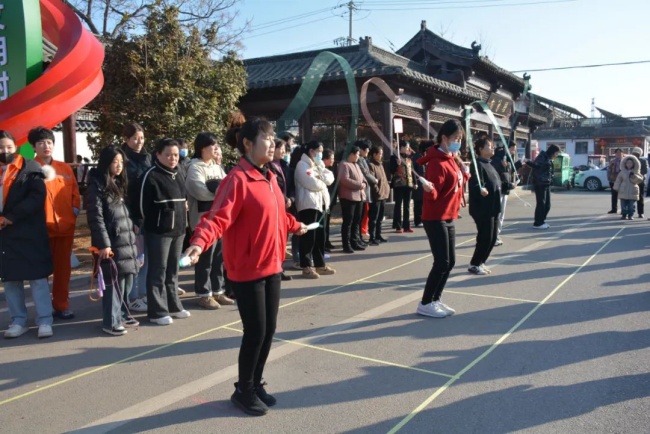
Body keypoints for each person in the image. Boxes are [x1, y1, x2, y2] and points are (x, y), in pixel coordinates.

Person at [183, 118, 308, 416]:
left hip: (272, 264)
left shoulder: (269, 176)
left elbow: (277, 214)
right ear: (248, 144)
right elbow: (216, 218)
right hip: (247, 269)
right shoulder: (236, 179)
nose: (273, 143)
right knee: (255, 331)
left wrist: (295, 225)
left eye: (273, 138)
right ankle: (243, 390)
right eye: (266, 138)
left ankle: (254, 382)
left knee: (268, 330)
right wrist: (199, 243)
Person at [0, 131, 54, 339]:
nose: (5, 151)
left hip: (29, 231)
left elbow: (36, 197)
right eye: (1, 148)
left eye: (8, 147)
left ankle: (45, 320)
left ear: (16, 147)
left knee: (37, 278)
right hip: (5, 236)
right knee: (11, 280)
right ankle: (18, 321)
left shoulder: (30, 168)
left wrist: (11, 216)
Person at [134, 138, 190, 325]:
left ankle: (174, 306)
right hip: (159, 231)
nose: (173, 158)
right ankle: (157, 311)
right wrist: (145, 223)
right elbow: (140, 206)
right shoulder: (150, 175)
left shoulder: (179, 172)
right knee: (158, 270)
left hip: (179, 230)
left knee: (173, 270)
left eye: (175, 155)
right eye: (168, 155)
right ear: (158, 155)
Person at [416, 121, 468, 318]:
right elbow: (434, 194)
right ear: (444, 138)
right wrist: (430, 189)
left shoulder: (452, 158)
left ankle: (435, 299)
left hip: (448, 215)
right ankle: (425, 302)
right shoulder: (437, 163)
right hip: (435, 217)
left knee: (450, 261)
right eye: (455, 139)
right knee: (441, 262)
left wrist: (465, 174)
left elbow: (455, 184)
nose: (458, 143)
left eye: (460, 139)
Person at [86, 146, 139, 336]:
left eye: (121, 162)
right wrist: (103, 244)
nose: (119, 165)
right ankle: (111, 322)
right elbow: (96, 217)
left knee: (126, 281)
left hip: (125, 239)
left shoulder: (118, 183)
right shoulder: (97, 185)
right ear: (106, 163)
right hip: (111, 242)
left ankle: (122, 314)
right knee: (114, 283)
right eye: (115, 161)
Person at [28, 127, 80, 320]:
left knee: (63, 270)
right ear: (33, 147)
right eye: (41, 143)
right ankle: (44, 310)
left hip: (65, 227)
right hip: (41, 230)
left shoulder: (65, 168)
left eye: (49, 142)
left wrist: (74, 211)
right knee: (41, 273)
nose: (46, 146)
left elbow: (75, 193)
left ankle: (61, 305)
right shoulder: (29, 169)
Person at [185, 133, 233, 309]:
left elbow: (228, 187)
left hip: (219, 218)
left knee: (219, 257)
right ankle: (204, 293)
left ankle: (218, 290)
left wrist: (217, 189)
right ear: (202, 148)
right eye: (213, 145)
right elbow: (199, 191)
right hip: (202, 219)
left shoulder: (216, 167)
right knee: (205, 259)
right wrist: (219, 191)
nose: (216, 148)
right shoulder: (194, 168)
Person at [121, 122, 151, 312]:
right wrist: (132, 218)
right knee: (134, 258)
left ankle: (144, 293)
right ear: (126, 139)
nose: (139, 142)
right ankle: (132, 297)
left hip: (147, 214)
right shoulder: (123, 161)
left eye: (141, 138)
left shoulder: (147, 157)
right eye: (135, 138)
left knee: (146, 257)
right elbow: (125, 193)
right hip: (131, 215)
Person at [294, 140, 335, 278]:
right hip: (308, 205)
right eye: (319, 151)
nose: (320, 154)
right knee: (308, 237)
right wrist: (322, 181)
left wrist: (320, 177)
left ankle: (320, 264)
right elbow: (312, 183)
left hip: (321, 204)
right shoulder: (302, 165)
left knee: (320, 237)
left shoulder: (318, 165)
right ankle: (306, 266)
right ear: (311, 151)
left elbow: (330, 177)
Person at [468, 137, 501, 275]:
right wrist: (480, 189)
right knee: (485, 237)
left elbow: (495, 182)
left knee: (493, 238)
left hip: (493, 206)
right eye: (489, 145)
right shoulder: (477, 164)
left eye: (493, 145)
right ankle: (474, 264)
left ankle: (481, 262)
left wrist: (506, 185)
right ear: (480, 149)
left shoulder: (489, 164)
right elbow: (475, 183)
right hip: (482, 207)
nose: (493, 147)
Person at [269, 139, 294, 281]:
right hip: (276, 205)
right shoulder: (268, 166)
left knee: (283, 238)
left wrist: (291, 198)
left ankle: (280, 267)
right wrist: (284, 199)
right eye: (280, 148)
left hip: (286, 206)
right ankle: (274, 269)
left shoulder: (285, 165)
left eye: (284, 148)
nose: (283, 151)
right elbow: (274, 187)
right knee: (275, 239)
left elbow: (291, 185)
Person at [338, 146, 367, 254]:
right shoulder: (344, 164)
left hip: (359, 196)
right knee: (348, 221)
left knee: (357, 220)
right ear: (351, 154)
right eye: (357, 154)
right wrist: (359, 185)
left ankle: (355, 241)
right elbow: (344, 180)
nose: (358, 156)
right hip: (348, 197)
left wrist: (364, 183)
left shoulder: (356, 165)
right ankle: (346, 244)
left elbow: (363, 178)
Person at [491, 141, 519, 246]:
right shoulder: (497, 159)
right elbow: (497, 176)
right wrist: (509, 185)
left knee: (501, 214)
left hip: (505, 189)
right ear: (506, 148)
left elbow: (508, 173)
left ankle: (496, 234)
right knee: (497, 214)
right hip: (499, 190)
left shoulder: (507, 159)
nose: (513, 152)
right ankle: (493, 236)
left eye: (514, 150)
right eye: (512, 149)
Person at [528, 144, 560, 229]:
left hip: (546, 183)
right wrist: (527, 162)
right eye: (556, 153)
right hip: (540, 183)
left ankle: (542, 221)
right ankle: (538, 223)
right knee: (541, 203)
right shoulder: (542, 157)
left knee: (547, 205)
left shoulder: (548, 158)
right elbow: (535, 165)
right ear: (553, 152)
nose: (556, 155)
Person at [367, 144, 390, 245]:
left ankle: (378, 234)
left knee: (380, 217)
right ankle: (372, 237)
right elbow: (372, 182)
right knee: (374, 218)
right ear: (374, 154)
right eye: (380, 154)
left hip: (383, 194)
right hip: (376, 195)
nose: (381, 155)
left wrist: (386, 189)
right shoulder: (371, 165)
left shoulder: (380, 164)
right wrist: (377, 191)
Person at [390, 141, 414, 233]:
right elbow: (391, 171)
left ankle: (406, 226)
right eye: (407, 147)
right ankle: (398, 226)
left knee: (407, 206)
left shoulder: (408, 158)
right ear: (402, 147)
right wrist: (397, 164)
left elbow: (412, 171)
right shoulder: (394, 157)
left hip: (408, 184)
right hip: (399, 185)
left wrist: (415, 182)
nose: (408, 149)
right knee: (398, 205)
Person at [356, 139, 376, 242]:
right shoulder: (359, 160)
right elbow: (365, 173)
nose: (367, 153)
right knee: (363, 213)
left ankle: (364, 230)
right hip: (363, 190)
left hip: (366, 189)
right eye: (367, 150)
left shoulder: (364, 159)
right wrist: (374, 179)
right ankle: (362, 231)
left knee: (366, 212)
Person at [613, 155, 644, 220]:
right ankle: (624, 215)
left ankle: (630, 215)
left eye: (630, 163)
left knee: (631, 205)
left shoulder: (636, 172)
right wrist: (616, 187)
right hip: (623, 190)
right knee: (623, 205)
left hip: (633, 190)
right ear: (625, 164)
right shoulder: (622, 172)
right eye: (627, 163)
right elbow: (618, 180)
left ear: (634, 164)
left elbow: (640, 180)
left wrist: (634, 176)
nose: (629, 164)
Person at [322, 148, 337, 251]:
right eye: (331, 158)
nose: (333, 160)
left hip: (330, 200)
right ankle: (323, 243)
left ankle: (327, 241)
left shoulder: (332, 169)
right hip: (323, 201)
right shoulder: (321, 170)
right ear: (325, 159)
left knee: (327, 223)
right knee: (323, 223)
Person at [631, 147, 647, 218]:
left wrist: (637, 174)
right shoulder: (630, 160)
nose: (635, 155)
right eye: (634, 153)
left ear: (640, 154)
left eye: (637, 154)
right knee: (630, 197)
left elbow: (645, 171)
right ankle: (630, 212)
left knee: (640, 197)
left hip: (640, 181)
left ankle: (640, 212)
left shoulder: (643, 161)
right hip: (631, 181)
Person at [607, 148, 623, 214]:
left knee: (623, 196)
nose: (618, 154)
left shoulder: (625, 161)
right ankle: (614, 209)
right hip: (613, 180)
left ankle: (623, 210)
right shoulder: (612, 161)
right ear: (615, 154)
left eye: (620, 152)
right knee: (614, 195)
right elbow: (608, 170)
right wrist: (609, 177)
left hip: (622, 180)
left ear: (622, 153)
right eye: (617, 152)